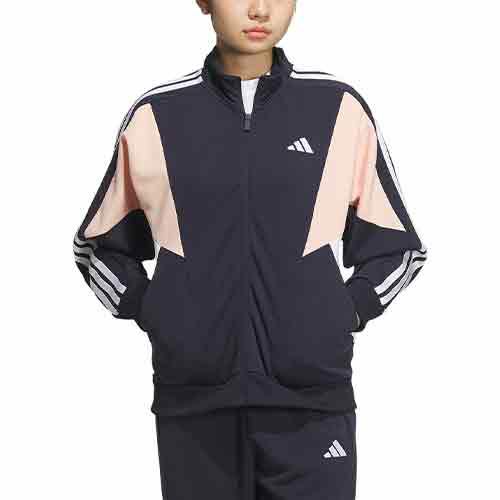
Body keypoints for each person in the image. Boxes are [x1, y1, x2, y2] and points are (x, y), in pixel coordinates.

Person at [72, 0, 428, 498]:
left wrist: (346, 309)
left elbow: (399, 247)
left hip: (312, 404)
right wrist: (156, 309)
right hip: (194, 407)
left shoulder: (337, 109)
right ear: (204, 2)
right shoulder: (157, 116)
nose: (260, 9)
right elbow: (97, 246)